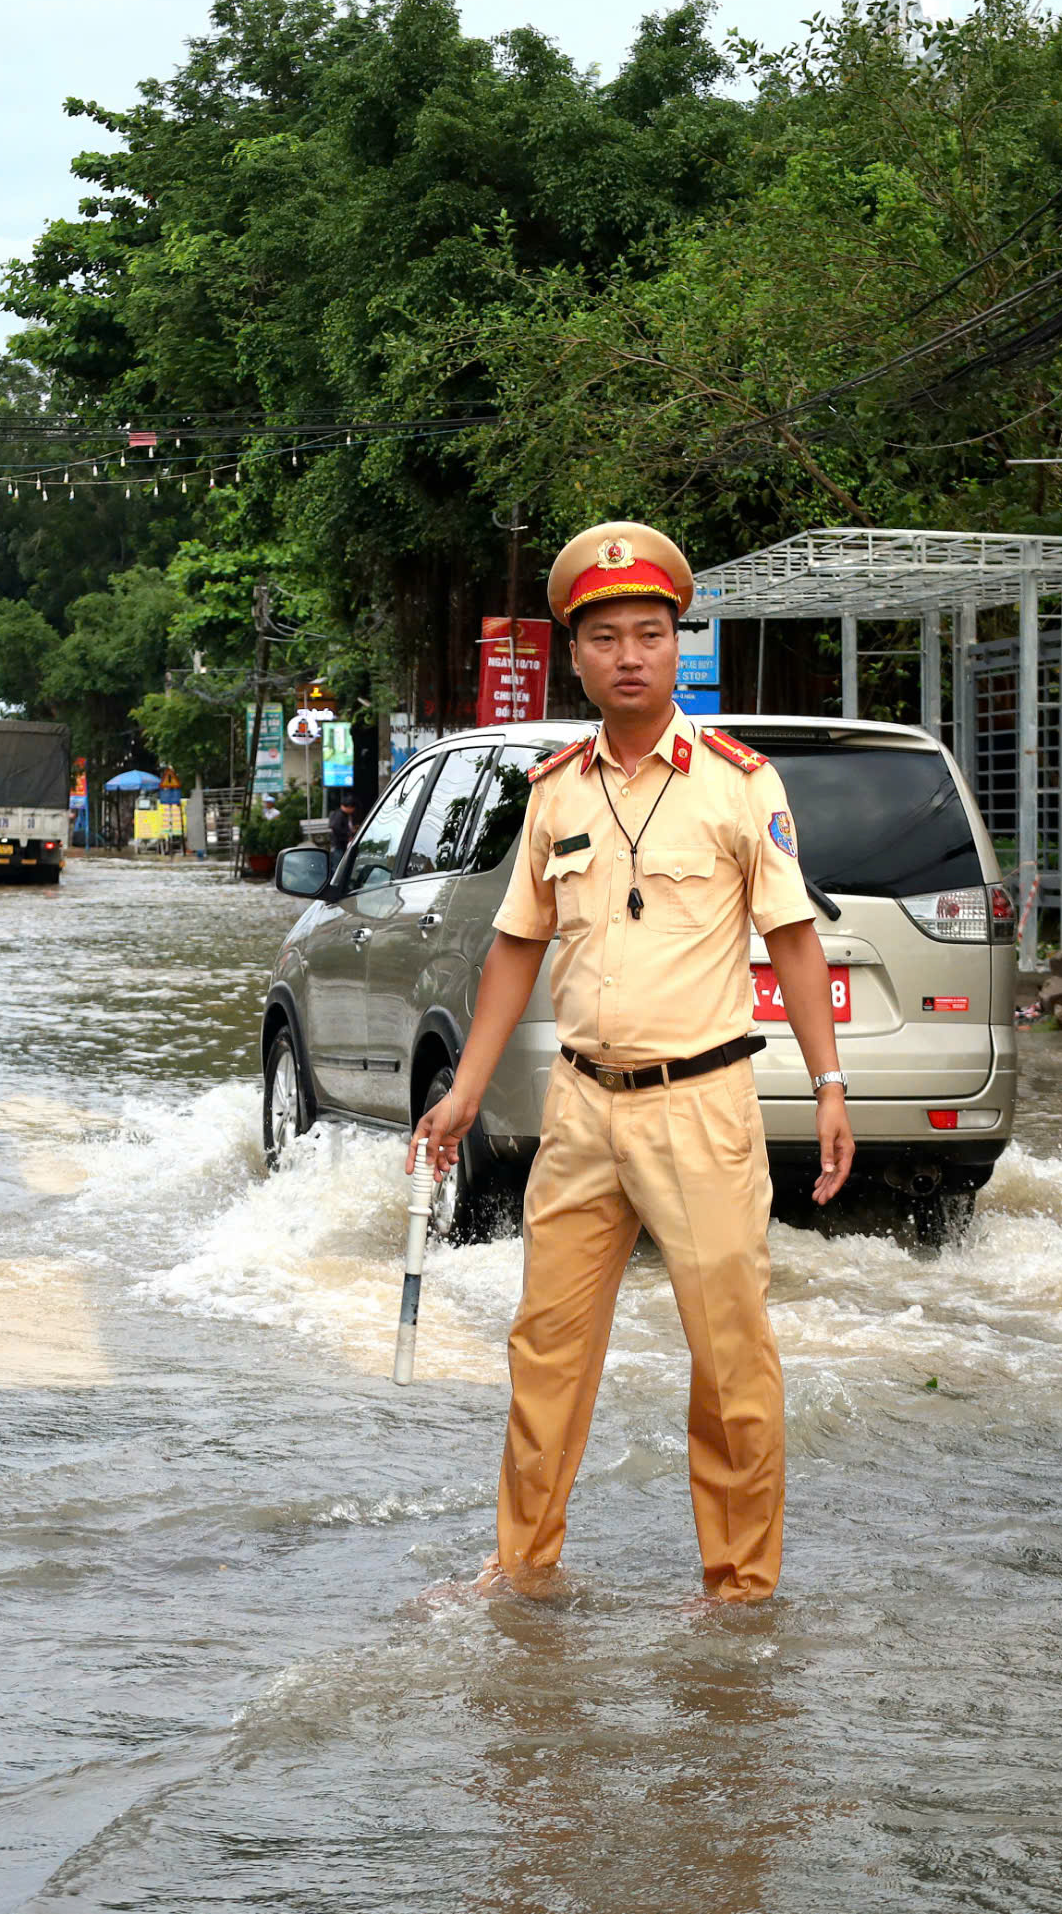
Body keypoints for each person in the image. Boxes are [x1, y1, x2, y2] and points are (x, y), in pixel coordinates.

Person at [408, 520, 853, 1605]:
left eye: (649, 633)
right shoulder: (556, 789)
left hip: (700, 1107)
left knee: (731, 1362)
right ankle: (519, 1570)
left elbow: (792, 936)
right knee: (543, 1354)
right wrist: (464, 1092)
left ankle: (740, 1591)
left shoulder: (740, 784)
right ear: (578, 654)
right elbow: (517, 943)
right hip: (580, 1108)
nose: (629, 655)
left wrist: (829, 1083)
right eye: (605, 637)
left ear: (675, 645)